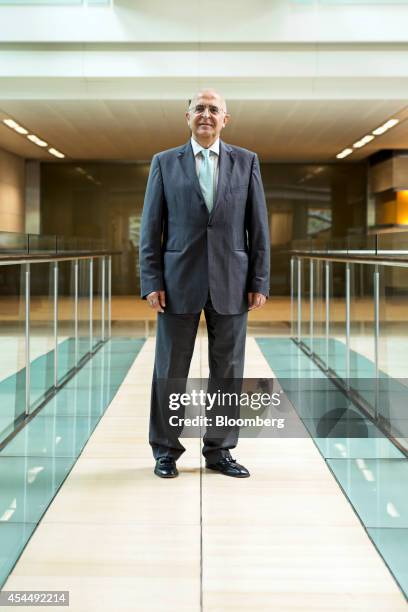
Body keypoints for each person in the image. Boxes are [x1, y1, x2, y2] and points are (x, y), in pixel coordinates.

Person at [139, 88, 270, 478]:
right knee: (170, 369)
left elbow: (257, 225)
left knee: (228, 370)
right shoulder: (165, 163)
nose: (206, 114)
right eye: (200, 108)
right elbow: (151, 227)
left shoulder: (246, 162)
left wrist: (259, 278)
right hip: (177, 282)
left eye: (214, 109)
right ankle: (165, 450)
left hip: (232, 280)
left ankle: (220, 451)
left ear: (225, 119)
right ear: (188, 116)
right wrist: (151, 280)